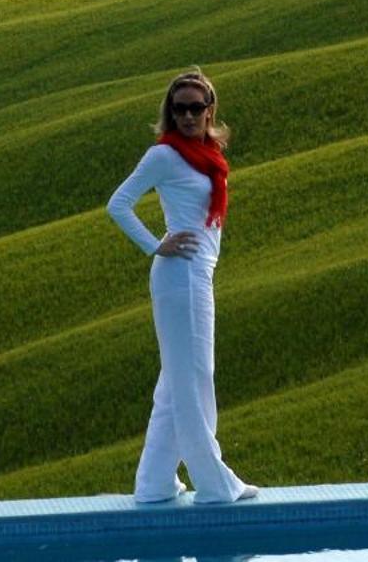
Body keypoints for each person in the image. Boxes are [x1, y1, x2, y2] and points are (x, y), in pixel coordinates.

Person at [106, 67, 260, 506]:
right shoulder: (164, 155)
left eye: (196, 107)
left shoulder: (208, 154)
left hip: (196, 274)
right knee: (194, 377)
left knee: (176, 382)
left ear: (210, 110)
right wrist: (156, 245)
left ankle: (154, 483)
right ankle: (215, 484)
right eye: (180, 109)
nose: (188, 115)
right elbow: (118, 205)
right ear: (170, 113)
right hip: (181, 275)